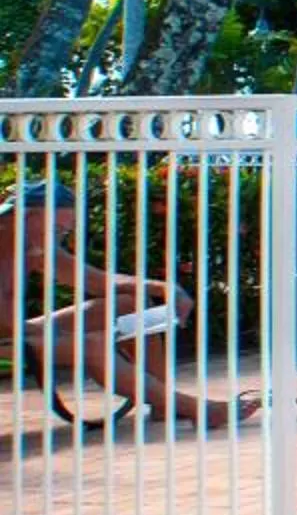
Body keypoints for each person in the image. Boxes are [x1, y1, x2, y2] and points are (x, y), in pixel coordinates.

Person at [3, 181, 252, 428]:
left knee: (132, 304)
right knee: (93, 345)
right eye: (55, 229)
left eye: (64, 233)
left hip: (16, 332)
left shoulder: (35, 245)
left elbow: (96, 280)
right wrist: (57, 334)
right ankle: (197, 409)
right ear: (25, 216)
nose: (58, 238)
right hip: (10, 336)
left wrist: (164, 288)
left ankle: (163, 405)